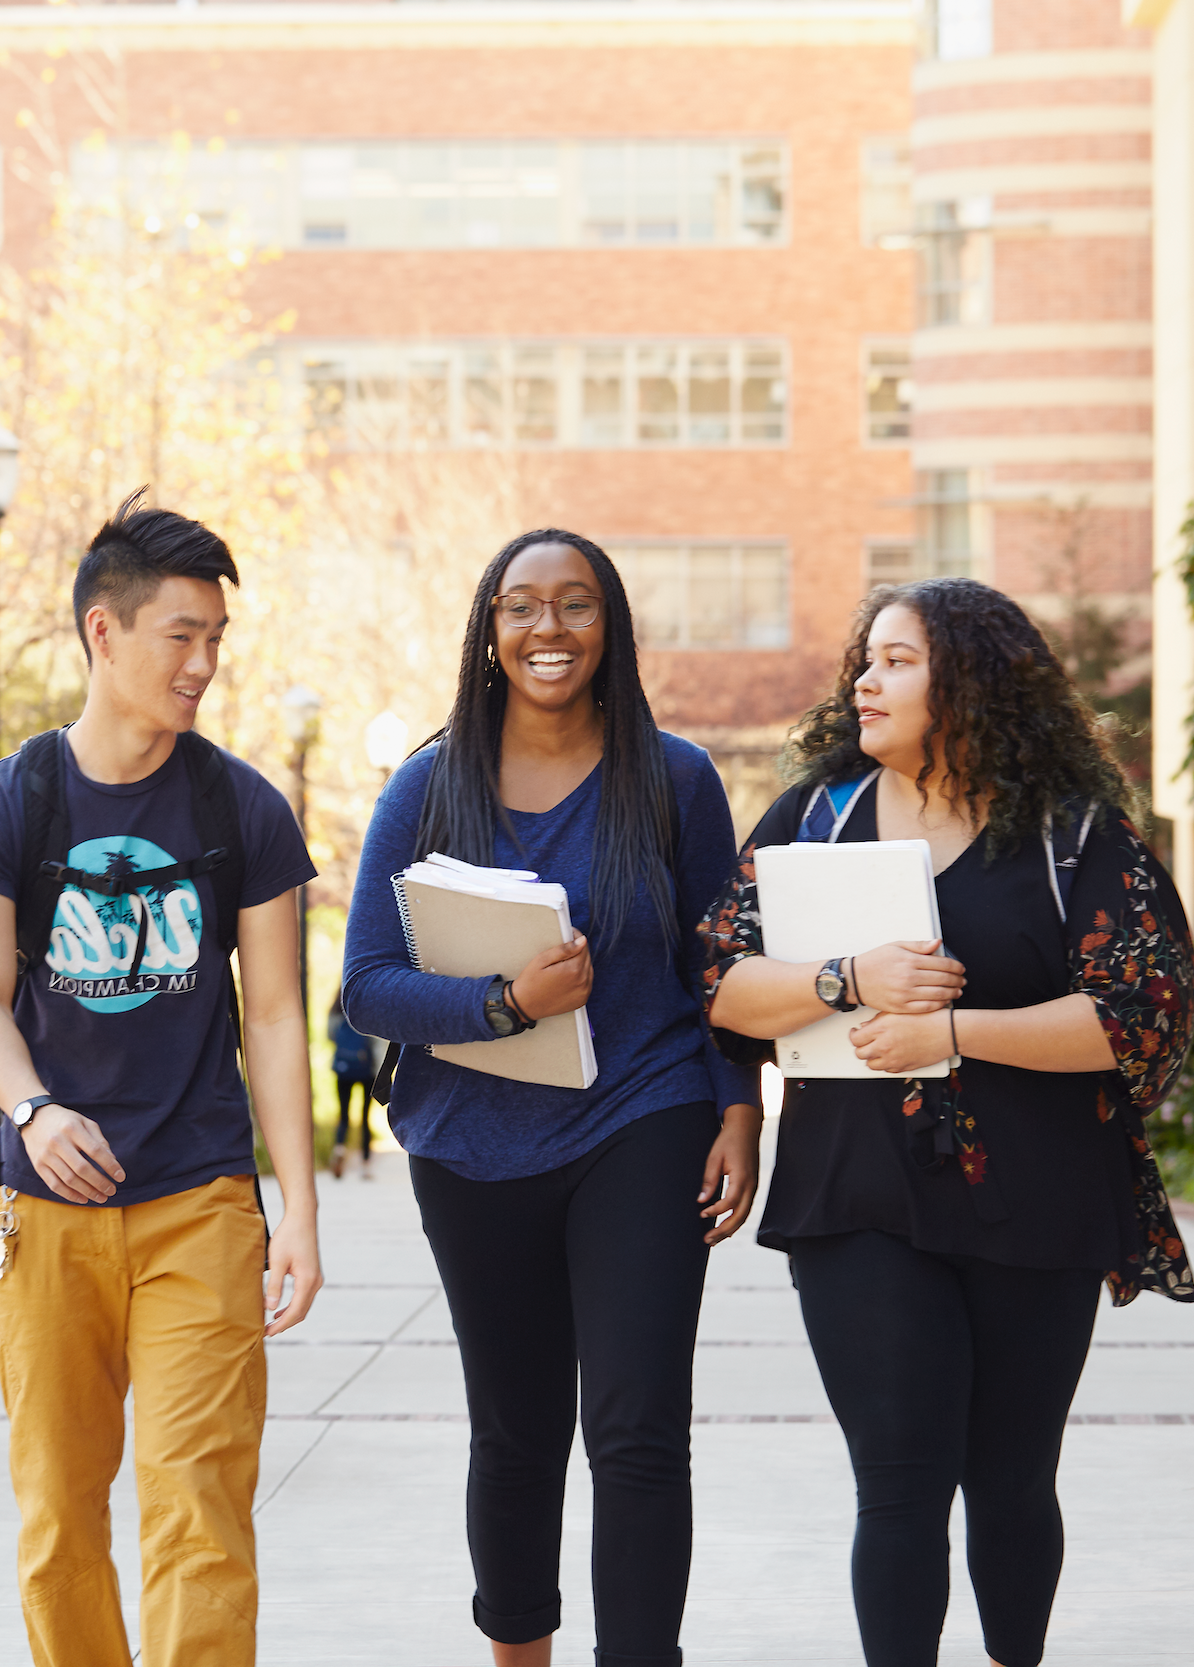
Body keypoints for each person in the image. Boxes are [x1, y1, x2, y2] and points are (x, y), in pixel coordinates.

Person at [698, 577, 1194, 1667]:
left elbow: (1139, 1010)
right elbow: (719, 984)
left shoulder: (1075, 834)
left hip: (1038, 1196)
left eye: (897, 660)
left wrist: (955, 1033)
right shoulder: (814, 818)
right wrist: (844, 979)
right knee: (899, 1478)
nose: (865, 683)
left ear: (967, 682)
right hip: (856, 1194)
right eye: (865, 661)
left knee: (1013, 1477)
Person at [341, 529, 761, 1667]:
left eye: (576, 605)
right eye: (523, 606)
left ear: (610, 627)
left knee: (636, 1431)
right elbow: (367, 983)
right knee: (518, 1431)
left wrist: (738, 1106)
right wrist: (500, 1000)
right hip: (472, 1142)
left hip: (643, 1111)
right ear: (489, 629)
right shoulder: (430, 785)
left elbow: (716, 965)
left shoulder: (673, 778)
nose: (549, 629)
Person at [0, 490, 324, 1667]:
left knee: (196, 1505)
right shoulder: (8, 804)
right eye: (181, 634)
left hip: (197, 1202)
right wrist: (34, 1106)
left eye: (216, 637)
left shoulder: (239, 806)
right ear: (104, 634)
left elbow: (271, 1014)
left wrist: (296, 1207)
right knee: (59, 1519)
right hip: (44, 1208)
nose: (204, 662)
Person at [327, 992, 380, 1177]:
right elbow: (377, 1040)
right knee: (365, 1117)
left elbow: (330, 1036)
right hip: (366, 1069)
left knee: (343, 1115)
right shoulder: (368, 1004)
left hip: (343, 1068)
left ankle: (340, 1149)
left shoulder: (335, 1009)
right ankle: (365, 1164)